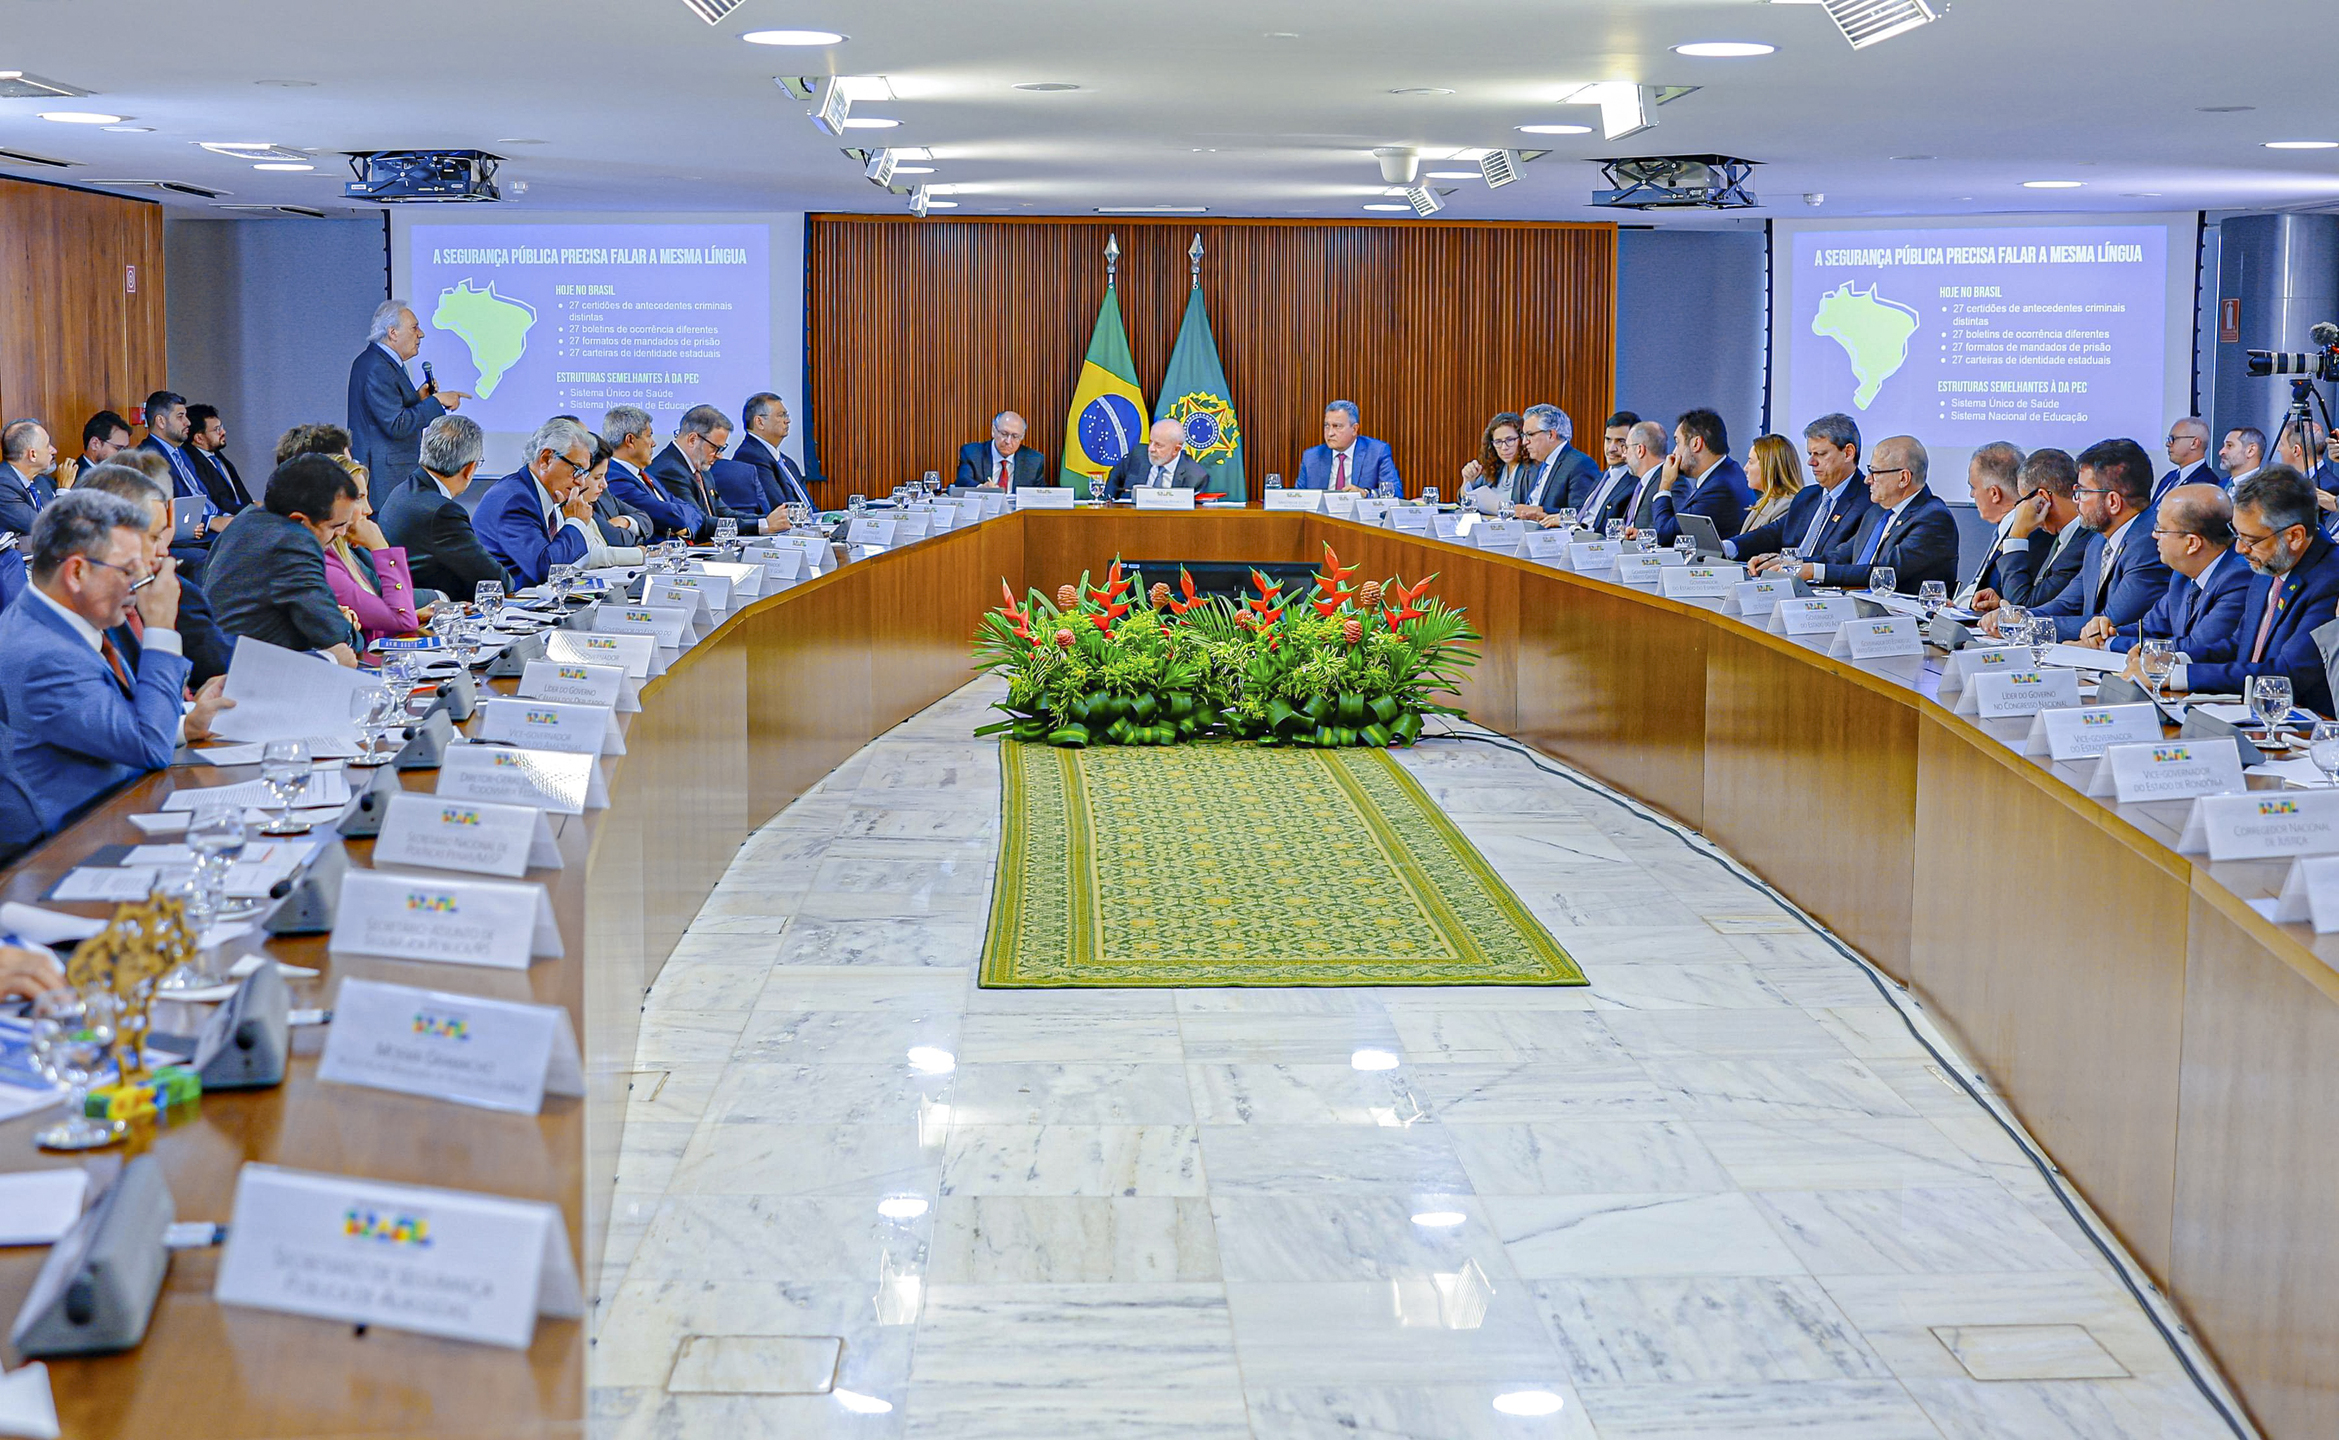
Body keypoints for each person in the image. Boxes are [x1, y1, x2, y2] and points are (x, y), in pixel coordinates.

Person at [0, 491, 232, 833]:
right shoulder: (42, 653)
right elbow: (147, 744)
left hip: (113, 812)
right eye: (128, 571)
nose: (140, 587)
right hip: (64, 849)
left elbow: (113, 722)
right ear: (77, 572)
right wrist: (162, 628)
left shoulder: (59, 620)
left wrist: (186, 722)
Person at [2171, 465, 2339, 713]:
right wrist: (2176, 661)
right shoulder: (2270, 563)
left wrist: (2182, 677)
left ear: (2294, 536)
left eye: (2250, 540)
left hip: (2306, 729)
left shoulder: (2331, 577)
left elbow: (2285, 674)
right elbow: (2240, 645)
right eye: (2237, 535)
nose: (2239, 549)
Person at [76, 464, 235, 688]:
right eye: (153, 537)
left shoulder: (118, 602)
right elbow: (146, 720)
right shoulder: (81, 626)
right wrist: (161, 627)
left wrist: (190, 715)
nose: (163, 551)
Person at [203, 455, 364, 662]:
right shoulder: (293, 543)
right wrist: (348, 629)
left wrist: (328, 616)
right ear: (300, 521)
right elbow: (335, 636)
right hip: (251, 679)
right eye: (336, 526)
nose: (342, 533)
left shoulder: (245, 521)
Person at [2072, 484, 2251, 666]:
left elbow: (2196, 646)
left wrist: (2108, 644)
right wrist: (2107, 632)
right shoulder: (2181, 576)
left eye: (2161, 529)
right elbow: (2150, 628)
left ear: (2192, 543)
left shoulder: (2238, 578)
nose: (2154, 535)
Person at [2031, 438, 2172, 641]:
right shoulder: (2098, 542)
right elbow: (2066, 604)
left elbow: (2111, 622)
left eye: (2082, 492)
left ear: (2113, 501)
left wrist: (2029, 627)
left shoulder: (2150, 544)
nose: (2076, 501)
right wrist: (2021, 617)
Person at [1779, 435, 1957, 593]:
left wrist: (1814, 571)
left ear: (1903, 478)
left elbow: (1883, 573)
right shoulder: (1876, 512)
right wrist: (1791, 564)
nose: (1867, 479)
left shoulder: (1933, 518)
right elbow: (1839, 557)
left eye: (1875, 472)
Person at [380, 414, 512, 599]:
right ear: (469, 469)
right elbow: (496, 581)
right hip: (435, 614)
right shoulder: (442, 513)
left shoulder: (402, 491)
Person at [474, 416, 599, 587]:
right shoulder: (516, 500)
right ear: (546, 459)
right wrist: (575, 522)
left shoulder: (534, 493)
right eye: (577, 470)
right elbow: (546, 569)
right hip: (505, 604)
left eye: (584, 473)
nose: (581, 482)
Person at [347, 299, 466, 477]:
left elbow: (389, 411)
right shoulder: (377, 366)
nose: (421, 334)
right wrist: (437, 400)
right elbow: (396, 425)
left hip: (388, 471)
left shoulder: (380, 362)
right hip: (385, 475)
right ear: (393, 333)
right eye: (414, 328)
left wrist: (418, 399)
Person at [1733, 414, 1869, 567]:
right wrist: (1729, 547)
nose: (1811, 462)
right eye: (1810, 454)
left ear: (1848, 453)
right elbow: (1772, 534)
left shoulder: (1868, 501)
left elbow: (1841, 557)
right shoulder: (1807, 496)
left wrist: (1791, 564)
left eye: (1821, 454)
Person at [320, 457, 426, 647]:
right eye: (359, 498)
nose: (368, 510)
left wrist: (412, 614)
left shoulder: (343, 556)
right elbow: (403, 620)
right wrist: (380, 547)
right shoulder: (328, 567)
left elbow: (388, 618)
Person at [1977, 448, 2091, 614]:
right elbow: (2037, 600)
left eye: (2023, 500)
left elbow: (2023, 606)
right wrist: (2003, 604)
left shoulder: (2082, 544)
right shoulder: (2067, 537)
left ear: (2042, 498)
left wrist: (2017, 535)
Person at [649, 405, 790, 539]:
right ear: (692, 439)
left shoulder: (700, 467)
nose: (719, 456)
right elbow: (699, 523)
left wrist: (768, 519)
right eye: (715, 448)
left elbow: (723, 513)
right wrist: (762, 525)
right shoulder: (669, 471)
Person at [1643, 407, 1755, 546]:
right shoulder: (1730, 470)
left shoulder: (1719, 488)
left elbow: (1665, 535)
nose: (1674, 452)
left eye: (1678, 443)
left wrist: (1665, 484)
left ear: (1696, 444)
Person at [1949, 441, 2028, 607]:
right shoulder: (2003, 528)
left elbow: (2017, 600)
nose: (1971, 494)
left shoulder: (2026, 534)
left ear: (1994, 493)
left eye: (1973, 487)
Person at [601, 405, 693, 538]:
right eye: (649, 436)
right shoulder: (614, 479)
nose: (654, 443)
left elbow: (690, 510)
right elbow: (672, 517)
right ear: (630, 440)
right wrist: (682, 521)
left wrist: (684, 527)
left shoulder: (645, 475)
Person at [1510, 405, 1598, 521]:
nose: (1525, 442)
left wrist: (1540, 511)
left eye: (1530, 434)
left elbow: (1582, 513)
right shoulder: (1536, 464)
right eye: (1524, 435)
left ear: (1551, 435)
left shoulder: (1580, 464)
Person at [1584, 421, 1672, 532]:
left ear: (1640, 450)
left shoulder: (1670, 481)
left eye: (1626, 448)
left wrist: (1640, 535)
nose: (1624, 455)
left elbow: (1671, 529)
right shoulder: (1644, 482)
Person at [735, 392, 817, 509]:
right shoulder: (750, 456)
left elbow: (810, 506)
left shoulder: (787, 462)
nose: (787, 421)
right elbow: (779, 506)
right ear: (759, 422)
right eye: (781, 415)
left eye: (786, 415)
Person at [578, 436, 649, 569]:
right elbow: (590, 554)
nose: (604, 485)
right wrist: (641, 553)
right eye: (597, 477)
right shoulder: (567, 507)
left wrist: (624, 521)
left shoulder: (600, 495)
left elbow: (645, 519)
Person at [1299, 401, 1400, 493]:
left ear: (1354, 429)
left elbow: (1395, 491)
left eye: (1337, 426)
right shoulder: (1311, 457)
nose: (1330, 433)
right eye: (1326, 426)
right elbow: (1298, 498)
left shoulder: (1377, 452)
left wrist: (1365, 493)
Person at [1102, 418, 1209, 499]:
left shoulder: (1195, 476)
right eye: (1150, 441)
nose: (1150, 449)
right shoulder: (1138, 455)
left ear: (1176, 449)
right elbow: (1113, 481)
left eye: (1158, 445)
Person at [185, 403, 255, 512]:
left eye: (221, 427)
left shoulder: (217, 456)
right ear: (199, 438)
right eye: (217, 429)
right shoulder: (191, 463)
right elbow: (216, 500)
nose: (223, 432)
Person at [960, 411, 1051, 491]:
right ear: (993, 431)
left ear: (1022, 437)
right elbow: (963, 480)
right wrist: (981, 488)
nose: (1008, 441)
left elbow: (1040, 494)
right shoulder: (972, 453)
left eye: (1015, 436)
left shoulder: (1034, 460)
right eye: (1004, 434)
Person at [1738, 434, 1806, 532]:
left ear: (1770, 467)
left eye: (1751, 462)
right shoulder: (1763, 502)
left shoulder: (1788, 506)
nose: (1745, 468)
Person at [1457, 412, 1527, 502]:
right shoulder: (1493, 468)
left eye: (1510, 440)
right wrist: (1468, 480)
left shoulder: (1531, 470)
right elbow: (1465, 501)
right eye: (1498, 442)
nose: (1504, 447)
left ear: (1522, 439)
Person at [0, 420, 53, 534]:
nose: (53, 451)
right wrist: (64, 490)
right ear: (32, 455)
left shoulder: (39, 480)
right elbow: (45, 528)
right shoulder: (3, 485)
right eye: (47, 446)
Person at [2157, 416, 2212, 503]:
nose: (2168, 444)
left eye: (2173, 439)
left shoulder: (2206, 484)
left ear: (2194, 443)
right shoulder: (2169, 477)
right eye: (2168, 439)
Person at [80, 410, 132, 474]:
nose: (124, 454)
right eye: (118, 448)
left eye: (126, 449)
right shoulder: (75, 480)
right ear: (95, 444)